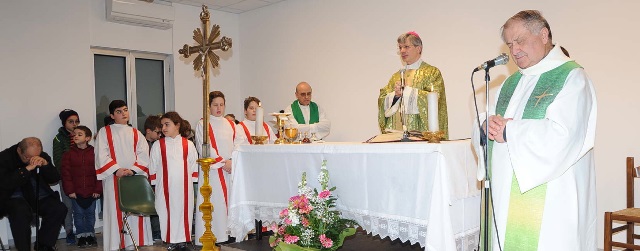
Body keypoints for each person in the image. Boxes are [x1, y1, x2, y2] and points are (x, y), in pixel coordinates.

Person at [472, 10, 597, 250]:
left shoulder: (572, 77)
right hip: (504, 195)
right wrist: (485, 126)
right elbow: (487, 116)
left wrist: (510, 132)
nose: (514, 50)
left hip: (551, 198)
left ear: (543, 34)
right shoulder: (511, 83)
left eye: (519, 40)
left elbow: (564, 135)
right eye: (509, 44)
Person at [95, 100, 153, 250]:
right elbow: (101, 154)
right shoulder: (104, 132)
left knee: (134, 210)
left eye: (125, 110)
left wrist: (133, 170)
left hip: (133, 177)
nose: (124, 114)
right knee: (115, 211)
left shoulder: (135, 132)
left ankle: (132, 244)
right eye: (119, 111)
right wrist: (117, 170)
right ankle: (115, 244)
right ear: (112, 115)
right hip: (113, 177)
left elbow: (144, 154)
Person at [0, 137, 67, 251]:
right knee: (20, 212)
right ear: (19, 150)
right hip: (13, 197)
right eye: (28, 157)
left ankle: (43, 244)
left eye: (35, 157)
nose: (32, 160)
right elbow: (5, 183)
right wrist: (26, 170)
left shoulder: (42, 156)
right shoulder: (4, 158)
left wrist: (46, 165)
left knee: (58, 208)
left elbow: (54, 178)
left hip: (37, 194)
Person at [378, 31, 448, 138]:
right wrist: (396, 96)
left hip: (421, 136)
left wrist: (407, 92)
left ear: (418, 48)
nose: (402, 51)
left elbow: (436, 100)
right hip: (396, 135)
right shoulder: (396, 76)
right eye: (400, 47)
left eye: (406, 47)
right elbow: (383, 100)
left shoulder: (431, 72)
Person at [149, 112, 198, 250]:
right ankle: (170, 241)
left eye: (167, 124)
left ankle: (183, 240)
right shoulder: (158, 145)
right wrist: (155, 183)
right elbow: (153, 166)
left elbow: (193, 165)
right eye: (162, 125)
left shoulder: (188, 144)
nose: (163, 128)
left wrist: (191, 181)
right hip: (164, 187)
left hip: (184, 186)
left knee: (184, 211)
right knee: (166, 212)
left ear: (177, 125)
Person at [194, 91, 237, 245]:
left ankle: (231, 234)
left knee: (231, 201)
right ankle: (215, 235)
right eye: (215, 105)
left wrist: (233, 160)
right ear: (209, 106)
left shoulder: (231, 124)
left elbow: (238, 143)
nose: (219, 108)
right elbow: (205, 147)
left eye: (221, 105)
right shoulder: (203, 124)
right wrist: (222, 162)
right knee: (215, 203)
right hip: (212, 171)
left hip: (230, 169)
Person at [61, 125, 101, 247]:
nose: (76, 136)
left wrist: (98, 189)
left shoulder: (95, 153)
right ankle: (81, 236)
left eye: (79, 134)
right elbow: (66, 174)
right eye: (75, 134)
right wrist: (70, 190)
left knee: (90, 215)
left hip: (92, 192)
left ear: (88, 138)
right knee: (78, 215)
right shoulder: (68, 155)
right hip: (76, 193)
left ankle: (90, 235)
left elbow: (100, 172)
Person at [53, 109, 80, 245]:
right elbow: (58, 161)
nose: (74, 124)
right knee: (68, 206)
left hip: (81, 178)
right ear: (64, 123)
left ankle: (83, 232)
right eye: (71, 122)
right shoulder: (58, 138)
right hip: (65, 178)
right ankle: (69, 231)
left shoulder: (81, 135)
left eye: (76, 121)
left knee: (81, 206)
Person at [143, 115, 163, 241]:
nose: (160, 135)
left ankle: (157, 231)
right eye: (157, 132)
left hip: (156, 179)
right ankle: (152, 232)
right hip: (145, 179)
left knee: (157, 205)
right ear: (148, 131)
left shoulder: (159, 144)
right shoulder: (141, 144)